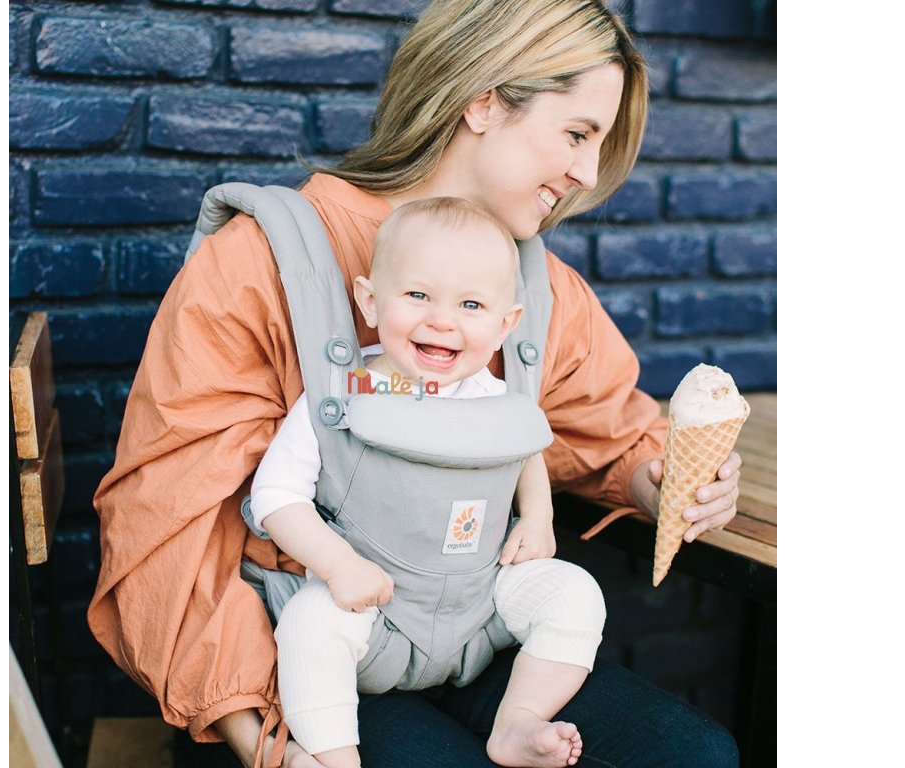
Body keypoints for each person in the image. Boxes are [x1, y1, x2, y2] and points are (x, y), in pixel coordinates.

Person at [88, 2, 744, 767]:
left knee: (694, 754)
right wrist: (271, 749)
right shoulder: (257, 263)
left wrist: (663, 483)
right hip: (296, 657)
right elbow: (167, 532)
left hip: (470, 625)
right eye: (577, 134)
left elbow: (606, 431)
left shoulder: (540, 290)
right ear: (484, 102)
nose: (589, 175)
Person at [250, 197, 605, 768]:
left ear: (505, 324)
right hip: (375, 616)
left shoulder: (494, 395)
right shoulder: (345, 392)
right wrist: (339, 567)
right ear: (370, 301)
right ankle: (335, 758)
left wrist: (538, 518)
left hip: (480, 608)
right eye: (417, 295)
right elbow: (275, 496)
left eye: (471, 304)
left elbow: (526, 453)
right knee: (309, 623)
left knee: (575, 591)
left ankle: (518, 721)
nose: (442, 320)